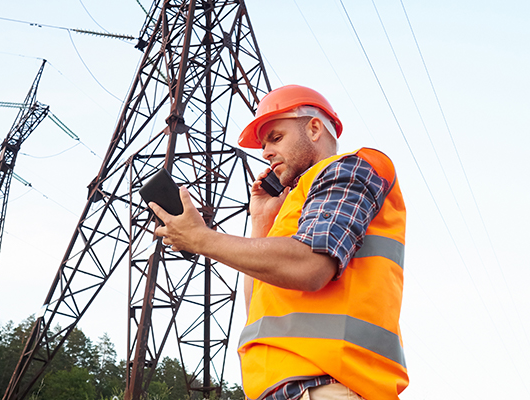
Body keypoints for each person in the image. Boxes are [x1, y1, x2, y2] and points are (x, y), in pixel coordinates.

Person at [150, 85, 408, 400]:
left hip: (328, 387)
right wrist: (260, 222)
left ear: (314, 128)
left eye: (276, 138)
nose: (266, 152)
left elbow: (312, 266)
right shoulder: (292, 209)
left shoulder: (353, 168)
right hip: (279, 391)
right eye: (263, 145)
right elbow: (257, 306)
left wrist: (202, 239)